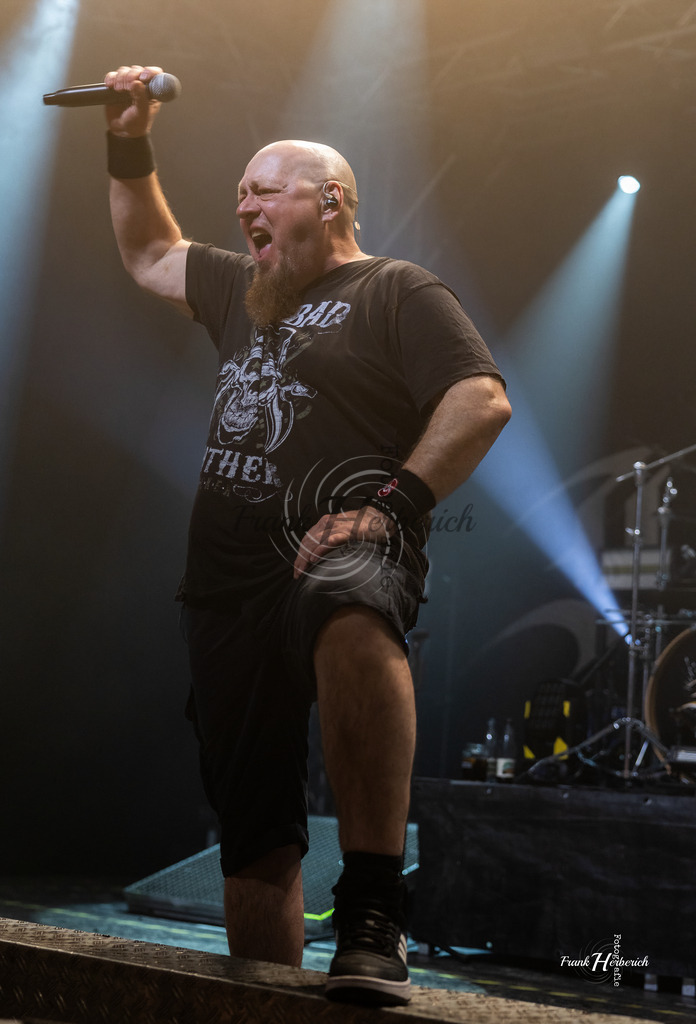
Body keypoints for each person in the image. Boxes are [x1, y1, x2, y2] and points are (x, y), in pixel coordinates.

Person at [102, 64, 511, 1006]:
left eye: (264, 189)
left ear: (329, 203)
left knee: (346, 596)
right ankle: (264, 999)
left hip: (345, 540)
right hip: (227, 581)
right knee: (254, 829)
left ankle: (372, 908)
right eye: (238, 191)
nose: (243, 204)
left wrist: (392, 505)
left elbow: (480, 399)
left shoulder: (396, 289)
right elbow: (148, 251)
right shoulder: (246, 288)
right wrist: (129, 138)